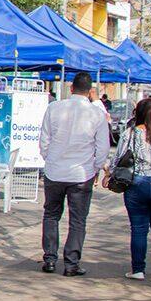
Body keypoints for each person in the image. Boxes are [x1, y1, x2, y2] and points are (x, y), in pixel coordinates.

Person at [39, 72, 110, 276]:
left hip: (55, 170)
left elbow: (44, 139)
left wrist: (49, 158)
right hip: (81, 172)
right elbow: (103, 147)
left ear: (71, 88)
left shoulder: (54, 108)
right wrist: (95, 167)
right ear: (90, 92)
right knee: (78, 219)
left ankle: (50, 259)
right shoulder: (96, 113)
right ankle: (71, 263)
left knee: (51, 214)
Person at [103, 99, 151, 281]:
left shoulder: (131, 133)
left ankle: (138, 269)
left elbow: (119, 158)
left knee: (138, 228)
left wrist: (109, 173)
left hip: (138, 184)